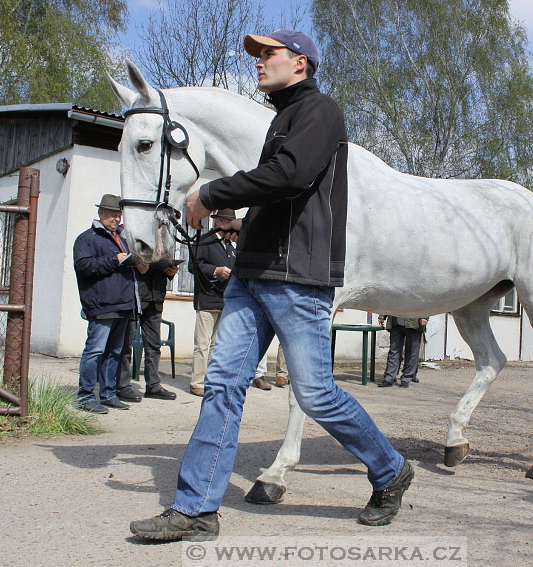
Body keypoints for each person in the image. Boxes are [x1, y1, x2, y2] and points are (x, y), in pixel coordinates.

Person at [130, 29, 412, 542]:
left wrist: (212, 193)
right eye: (256, 55)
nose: (259, 62)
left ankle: (390, 470)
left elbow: (290, 175)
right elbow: (269, 187)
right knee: (222, 386)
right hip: (252, 275)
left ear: (300, 63)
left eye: (269, 54)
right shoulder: (280, 119)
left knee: (317, 394)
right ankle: (196, 509)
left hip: (297, 278)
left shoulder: (320, 112)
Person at [73, 194, 145, 414]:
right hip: (101, 304)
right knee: (95, 350)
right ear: (100, 213)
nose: (116, 218)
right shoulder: (87, 239)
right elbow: (84, 267)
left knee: (114, 351)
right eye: (112, 214)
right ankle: (85, 395)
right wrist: (115, 259)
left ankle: (108, 394)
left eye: (118, 214)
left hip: (123, 304)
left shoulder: (123, 237)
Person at [116, 260, 180, 403]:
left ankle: (153, 386)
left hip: (156, 295)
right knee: (126, 344)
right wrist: (137, 264)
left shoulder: (164, 238)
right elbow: (125, 257)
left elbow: (165, 260)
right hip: (135, 294)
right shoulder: (134, 237)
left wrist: (171, 271)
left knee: (154, 345)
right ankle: (122, 386)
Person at [188, 209, 237, 397]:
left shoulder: (230, 245)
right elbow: (194, 265)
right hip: (207, 298)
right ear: (218, 221)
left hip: (225, 300)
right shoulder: (205, 240)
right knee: (202, 344)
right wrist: (215, 270)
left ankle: (211, 380)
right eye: (226, 221)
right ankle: (197, 382)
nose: (229, 225)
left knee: (217, 345)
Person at [377, 315, 428, 388]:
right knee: (393, 351)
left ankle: (406, 378)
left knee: (412, 352)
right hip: (396, 321)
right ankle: (389, 378)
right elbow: (388, 303)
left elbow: (427, 303)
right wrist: (382, 316)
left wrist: (425, 317)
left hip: (414, 322)